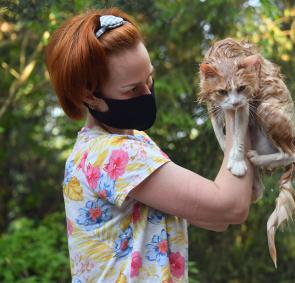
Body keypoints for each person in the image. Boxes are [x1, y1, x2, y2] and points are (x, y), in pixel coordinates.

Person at [44, 7, 253, 283]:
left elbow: (215, 219)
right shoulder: (113, 155)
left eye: (149, 78)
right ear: (88, 96)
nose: (147, 92)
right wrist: (238, 101)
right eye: (132, 89)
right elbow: (230, 207)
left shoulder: (133, 142)